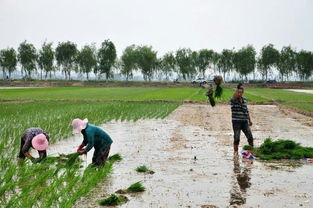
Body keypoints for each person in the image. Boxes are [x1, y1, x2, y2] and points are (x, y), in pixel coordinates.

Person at [230, 83, 254, 154]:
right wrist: (237, 89)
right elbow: (234, 96)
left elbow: (246, 111)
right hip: (236, 122)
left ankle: (252, 152)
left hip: (244, 122)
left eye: (241, 92)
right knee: (237, 138)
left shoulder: (245, 100)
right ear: (236, 92)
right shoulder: (233, 100)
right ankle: (235, 153)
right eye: (238, 92)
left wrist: (249, 120)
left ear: (243, 92)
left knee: (250, 137)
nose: (239, 94)